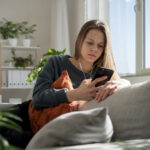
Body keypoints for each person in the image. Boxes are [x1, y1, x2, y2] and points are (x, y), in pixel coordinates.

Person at [32, 19, 130, 110]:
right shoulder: (56, 63)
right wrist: (75, 94)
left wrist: (125, 83)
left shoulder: (102, 74)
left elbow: (122, 87)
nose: (94, 49)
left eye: (100, 46)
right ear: (80, 41)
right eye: (90, 43)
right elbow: (37, 98)